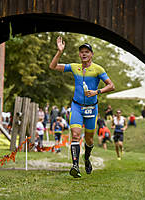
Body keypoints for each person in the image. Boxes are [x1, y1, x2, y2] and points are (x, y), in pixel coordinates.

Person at [49, 36, 115, 178]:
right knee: (75, 135)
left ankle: (86, 159)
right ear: (79, 54)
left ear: (91, 54)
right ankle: (75, 166)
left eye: (87, 52)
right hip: (77, 106)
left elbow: (111, 86)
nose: (84, 54)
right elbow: (53, 66)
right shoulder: (74, 67)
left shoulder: (98, 69)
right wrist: (59, 52)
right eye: (81, 52)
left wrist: (97, 92)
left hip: (92, 108)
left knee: (89, 140)